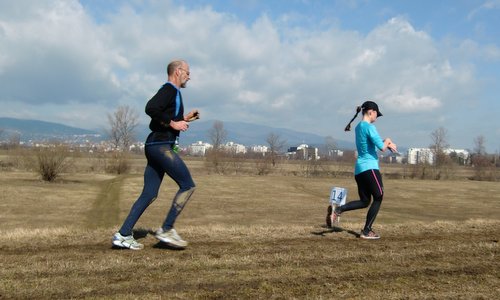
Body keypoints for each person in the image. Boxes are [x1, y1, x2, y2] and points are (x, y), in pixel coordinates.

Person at [112, 59, 200, 250]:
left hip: (155, 145)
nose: (189, 76)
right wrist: (174, 124)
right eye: (187, 72)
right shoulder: (169, 89)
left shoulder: (173, 93)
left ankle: (123, 234)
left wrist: (183, 119)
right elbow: (151, 108)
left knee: (149, 193)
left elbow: (161, 117)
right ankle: (167, 229)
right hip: (160, 146)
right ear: (177, 71)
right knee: (187, 185)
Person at [327, 101, 397, 240]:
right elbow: (381, 148)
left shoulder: (359, 127)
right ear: (371, 112)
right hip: (370, 168)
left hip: (359, 170)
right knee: (379, 196)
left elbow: (372, 143)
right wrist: (388, 141)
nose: (377, 117)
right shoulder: (370, 127)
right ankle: (367, 230)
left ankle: (338, 210)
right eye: (377, 114)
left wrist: (385, 143)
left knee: (365, 201)